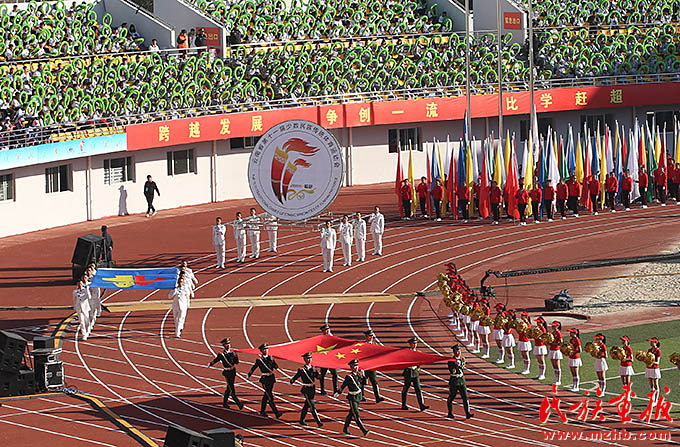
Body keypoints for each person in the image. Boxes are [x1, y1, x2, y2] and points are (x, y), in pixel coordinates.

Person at [247, 343, 282, 418]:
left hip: (271, 378)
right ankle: (276, 413)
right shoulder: (259, 360)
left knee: (266, 395)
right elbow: (254, 367)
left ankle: (262, 411)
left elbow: (276, 367)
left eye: (266, 349)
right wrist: (249, 375)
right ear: (261, 351)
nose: (265, 350)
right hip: (265, 379)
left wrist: (273, 361)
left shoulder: (270, 358)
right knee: (269, 396)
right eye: (264, 349)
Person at [335, 359, 369, 436]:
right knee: (356, 414)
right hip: (352, 397)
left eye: (357, 366)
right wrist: (338, 392)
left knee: (351, 413)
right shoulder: (349, 377)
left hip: (358, 396)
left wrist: (364, 376)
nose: (356, 367)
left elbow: (365, 383)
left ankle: (345, 428)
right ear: (351, 367)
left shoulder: (359, 374)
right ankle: (364, 430)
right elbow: (343, 385)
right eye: (354, 366)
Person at [290, 352, 323, 427]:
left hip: (312, 388)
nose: (309, 359)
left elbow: (317, 377)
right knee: (312, 405)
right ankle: (318, 422)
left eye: (310, 358)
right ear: (304, 359)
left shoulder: (313, 368)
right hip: (306, 389)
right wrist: (292, 380)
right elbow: (296, 376)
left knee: (306, 405)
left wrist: (321, 374)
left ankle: (301, 420)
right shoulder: (302, 369)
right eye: (307, 358)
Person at [209, 337, 243, 409]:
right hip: (227, 372)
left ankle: (224, 403)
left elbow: (236, 362)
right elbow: (216, 360)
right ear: (224, 346)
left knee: (229, 388)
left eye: (228, 344)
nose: (228, 345)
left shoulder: (233, 353)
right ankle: (238, 403)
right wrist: (210, 364)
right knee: (231, 388)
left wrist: (235, 356)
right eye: (226, 344)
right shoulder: (222, 355)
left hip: (232, 371)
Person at [401, 337, 429, 411]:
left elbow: (419, 361)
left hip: (415, 372)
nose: (415, 345)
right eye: (413, 343)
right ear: (410, 344)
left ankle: (421, 405)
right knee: (406, 388)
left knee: (418, 389)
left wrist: (418, 367)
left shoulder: (418, 352)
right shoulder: (407, 352)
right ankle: (403, 404)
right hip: (408, 372)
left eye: (416, 343)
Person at [446, 345, 474, 419]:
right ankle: (450, 412)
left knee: (465, 397)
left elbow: (463, 367)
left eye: (459, 351)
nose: (458, 352)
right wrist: (455, 365)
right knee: (452, 396)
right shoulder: (451, 361)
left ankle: (467, 413)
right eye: (456, 351)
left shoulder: (462, 359)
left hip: (461, 380)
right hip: (454, 381)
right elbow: (452, 371)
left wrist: (460, 364)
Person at [360, 330, 384, 403]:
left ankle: (377, 397)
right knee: (362, 381)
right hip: (364, 366)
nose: (370, 337)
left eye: (371, 336)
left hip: (372, 366)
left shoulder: (375, 344)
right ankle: (361, 396)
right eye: (369, 336)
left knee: (374, 382)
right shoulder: (363, 345)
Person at [318, 324, 339, 395]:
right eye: (325, 330)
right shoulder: (321, 339)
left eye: (328, 329)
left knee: (335, 375)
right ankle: (322, 390)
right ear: (322, 331)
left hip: (331, 360)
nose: (327, 331)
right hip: (324, 360)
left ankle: (335, 390)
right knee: (322, 375)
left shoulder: (333, 338)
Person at [646, 337, 661, 402]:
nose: (650, 343)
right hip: (649, 368)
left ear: (655, 343)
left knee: (655, 384)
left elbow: (657, 362)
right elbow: (647, 359)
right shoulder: (649, 350)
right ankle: (652, 399)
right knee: (651, 385)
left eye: (652, 342)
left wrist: (651, 361)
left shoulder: (658, 351)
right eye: (650, 342)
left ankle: (656, 400)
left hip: (655, 368)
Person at [548, 321, 563, 386]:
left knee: (557, 366)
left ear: (557, 326)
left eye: (554, 325)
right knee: (554, 366)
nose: (552, 326)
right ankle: (556, 379)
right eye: (552, 325)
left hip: (556, 350)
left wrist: (553, 343)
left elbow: (561, 342)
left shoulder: (558, 333)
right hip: (552, 349)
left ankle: (558, 380)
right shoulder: (553, 332)